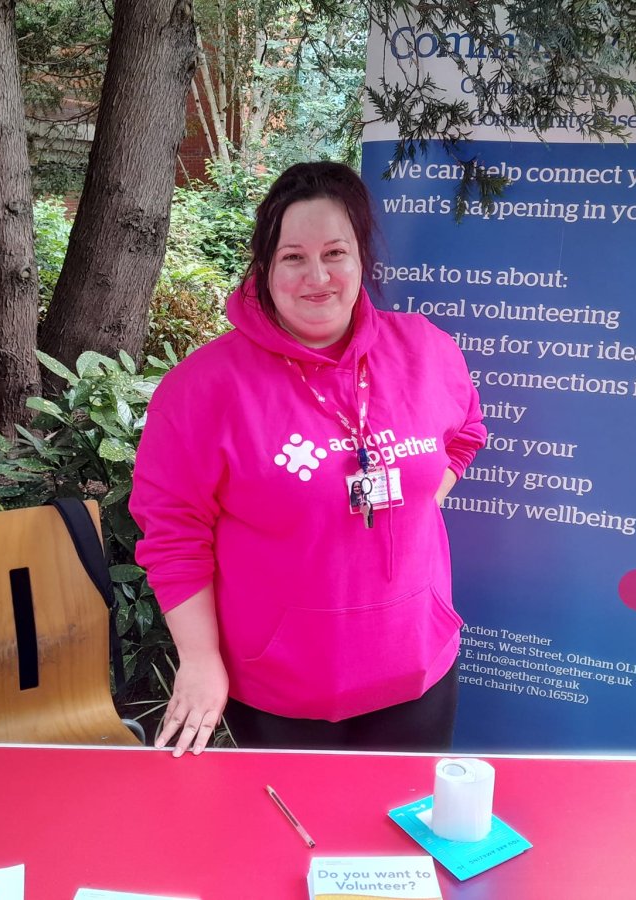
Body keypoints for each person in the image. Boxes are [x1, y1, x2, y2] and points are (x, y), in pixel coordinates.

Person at [130, 161, 487, 757]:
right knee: (296, 845)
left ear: (361, 259)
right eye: (293, 257)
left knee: (401, 842)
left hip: (417, 668)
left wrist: (418, 500)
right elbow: (173, 534)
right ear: (265, 267)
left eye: (335, 253)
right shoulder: (203, 389)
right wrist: (199, 659)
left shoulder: (426, 349)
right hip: (280, 689)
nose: (317, 276)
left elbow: (465, 434)